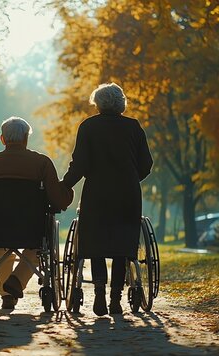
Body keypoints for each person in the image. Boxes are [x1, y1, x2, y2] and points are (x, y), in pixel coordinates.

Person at [62, 83, 153, 316]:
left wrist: (63, 186)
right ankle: (115, 299)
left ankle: (100, 295)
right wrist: (131, 178)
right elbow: (146, 164)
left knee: (97, 243)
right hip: (127, 194)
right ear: (121, 102)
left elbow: (80, 164)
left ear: (98, 103)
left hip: (97, 193)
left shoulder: (89, 127)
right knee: (123, 244)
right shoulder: (133, 127)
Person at [0, 116, 73, 310]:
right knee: (38, 247)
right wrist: (68, 193)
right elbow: (56, 198)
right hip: (31, 229)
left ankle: (7, 292)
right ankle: (16, 281)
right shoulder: (41, 163)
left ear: (2, 139)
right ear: (26, 138)